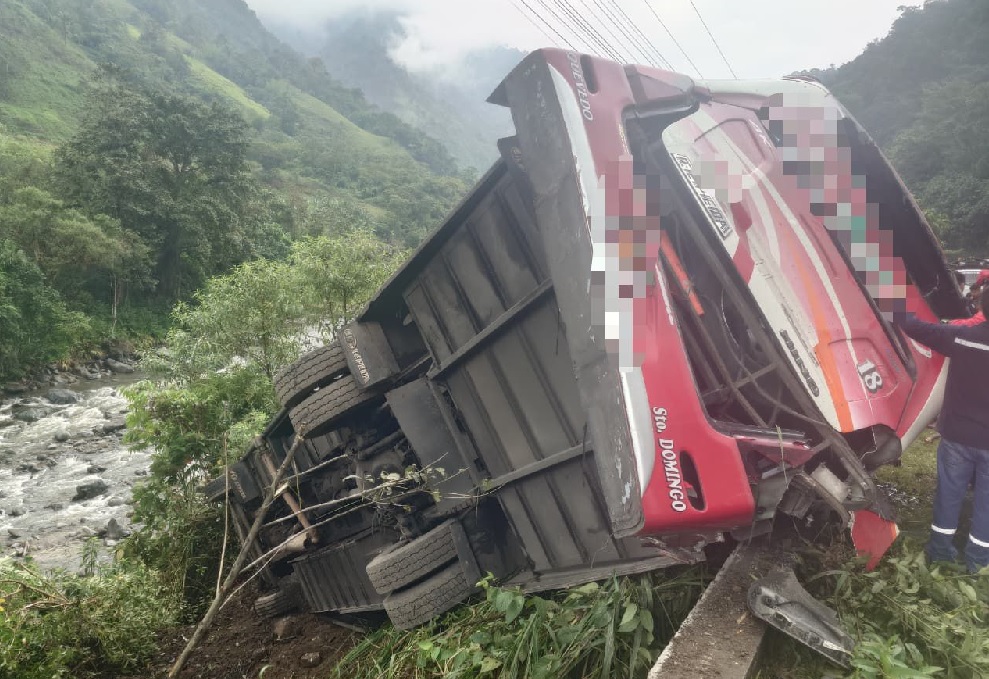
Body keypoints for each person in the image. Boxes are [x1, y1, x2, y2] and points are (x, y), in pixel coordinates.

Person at [895, 291, 989, 574]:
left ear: (982, 307)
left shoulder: (962, 337)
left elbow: (914, 327)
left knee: (949, 495)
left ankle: (940, 552)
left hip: (957, 437)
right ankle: (978, 563)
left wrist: (889, 298)